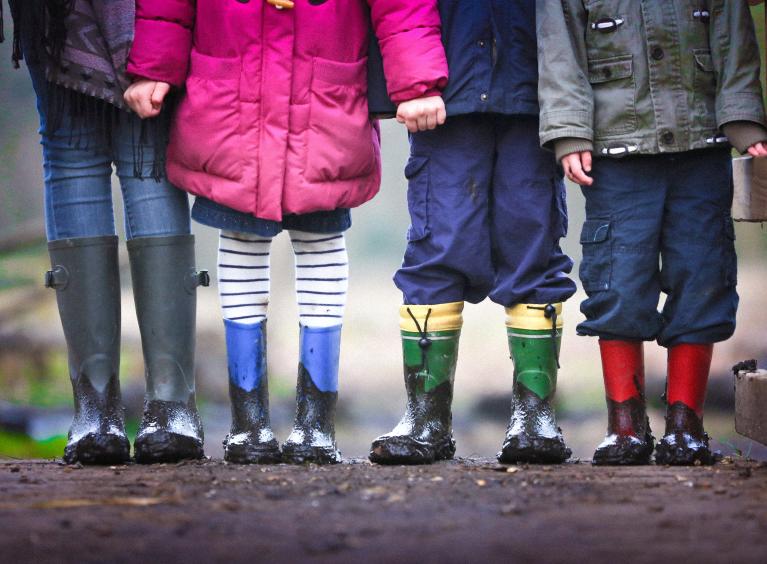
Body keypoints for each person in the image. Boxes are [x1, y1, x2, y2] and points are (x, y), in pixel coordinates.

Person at [124, 0, 448, 465]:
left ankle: (316, 424)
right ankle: (248, 423)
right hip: (231, 99)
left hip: (324, 100)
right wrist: (155, 64)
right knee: (240, 241)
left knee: (320, 245)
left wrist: (416, 82)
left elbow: (403, 8)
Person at [538, 0, 767, 465]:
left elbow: (734, 33)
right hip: (614, 150)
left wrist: (743, 118)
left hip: (703, 143)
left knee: (703, 276)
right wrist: (570, 132)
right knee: (617, 282)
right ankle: (625, 425)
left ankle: (686, 424)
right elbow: (559, 51)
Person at [368, 0, 577, 466]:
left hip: (538, 94)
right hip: (443, 94)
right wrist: (411, 79)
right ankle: (426, 418)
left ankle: (534, 414)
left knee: (534, 248)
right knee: (437, 248)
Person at [5, 0, 208, 464]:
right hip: (59, 18)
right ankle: (123, 408)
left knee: (127, 154)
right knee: (92, 152)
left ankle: (143, 405)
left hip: (128, 16)